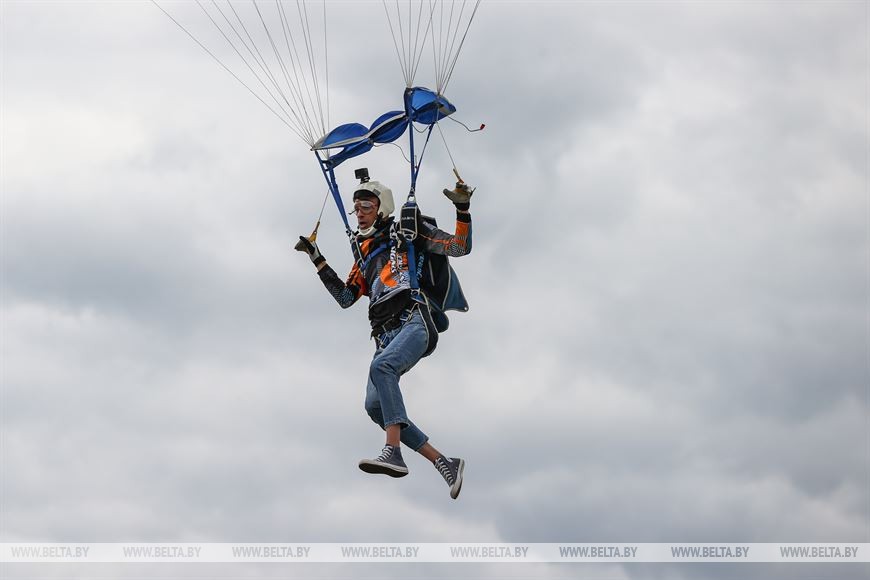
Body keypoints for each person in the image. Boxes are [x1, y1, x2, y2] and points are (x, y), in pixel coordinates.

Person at [296, 171, 474, 499]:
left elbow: (459, 247)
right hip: (384, 335)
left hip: (413, 320)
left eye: (366, 206)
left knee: (383, 368)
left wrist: (462, 209)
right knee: (374, 407)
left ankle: (393, 452)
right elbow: (346, 297)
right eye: (356, 208)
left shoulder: (407, 230)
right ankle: (444, 462)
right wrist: (317, 258)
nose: (359, 213)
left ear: (382, 208)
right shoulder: (365, 252)